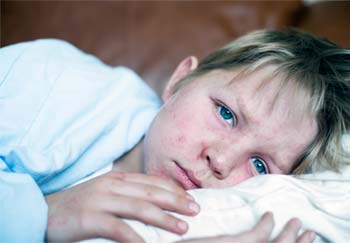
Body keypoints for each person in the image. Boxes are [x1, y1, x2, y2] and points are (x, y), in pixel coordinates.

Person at [0, 28, 349, 243]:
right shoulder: (50, 78)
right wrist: (42, 213)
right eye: (226, 113)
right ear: (179, 80)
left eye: (259, 165)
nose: (221, 160)